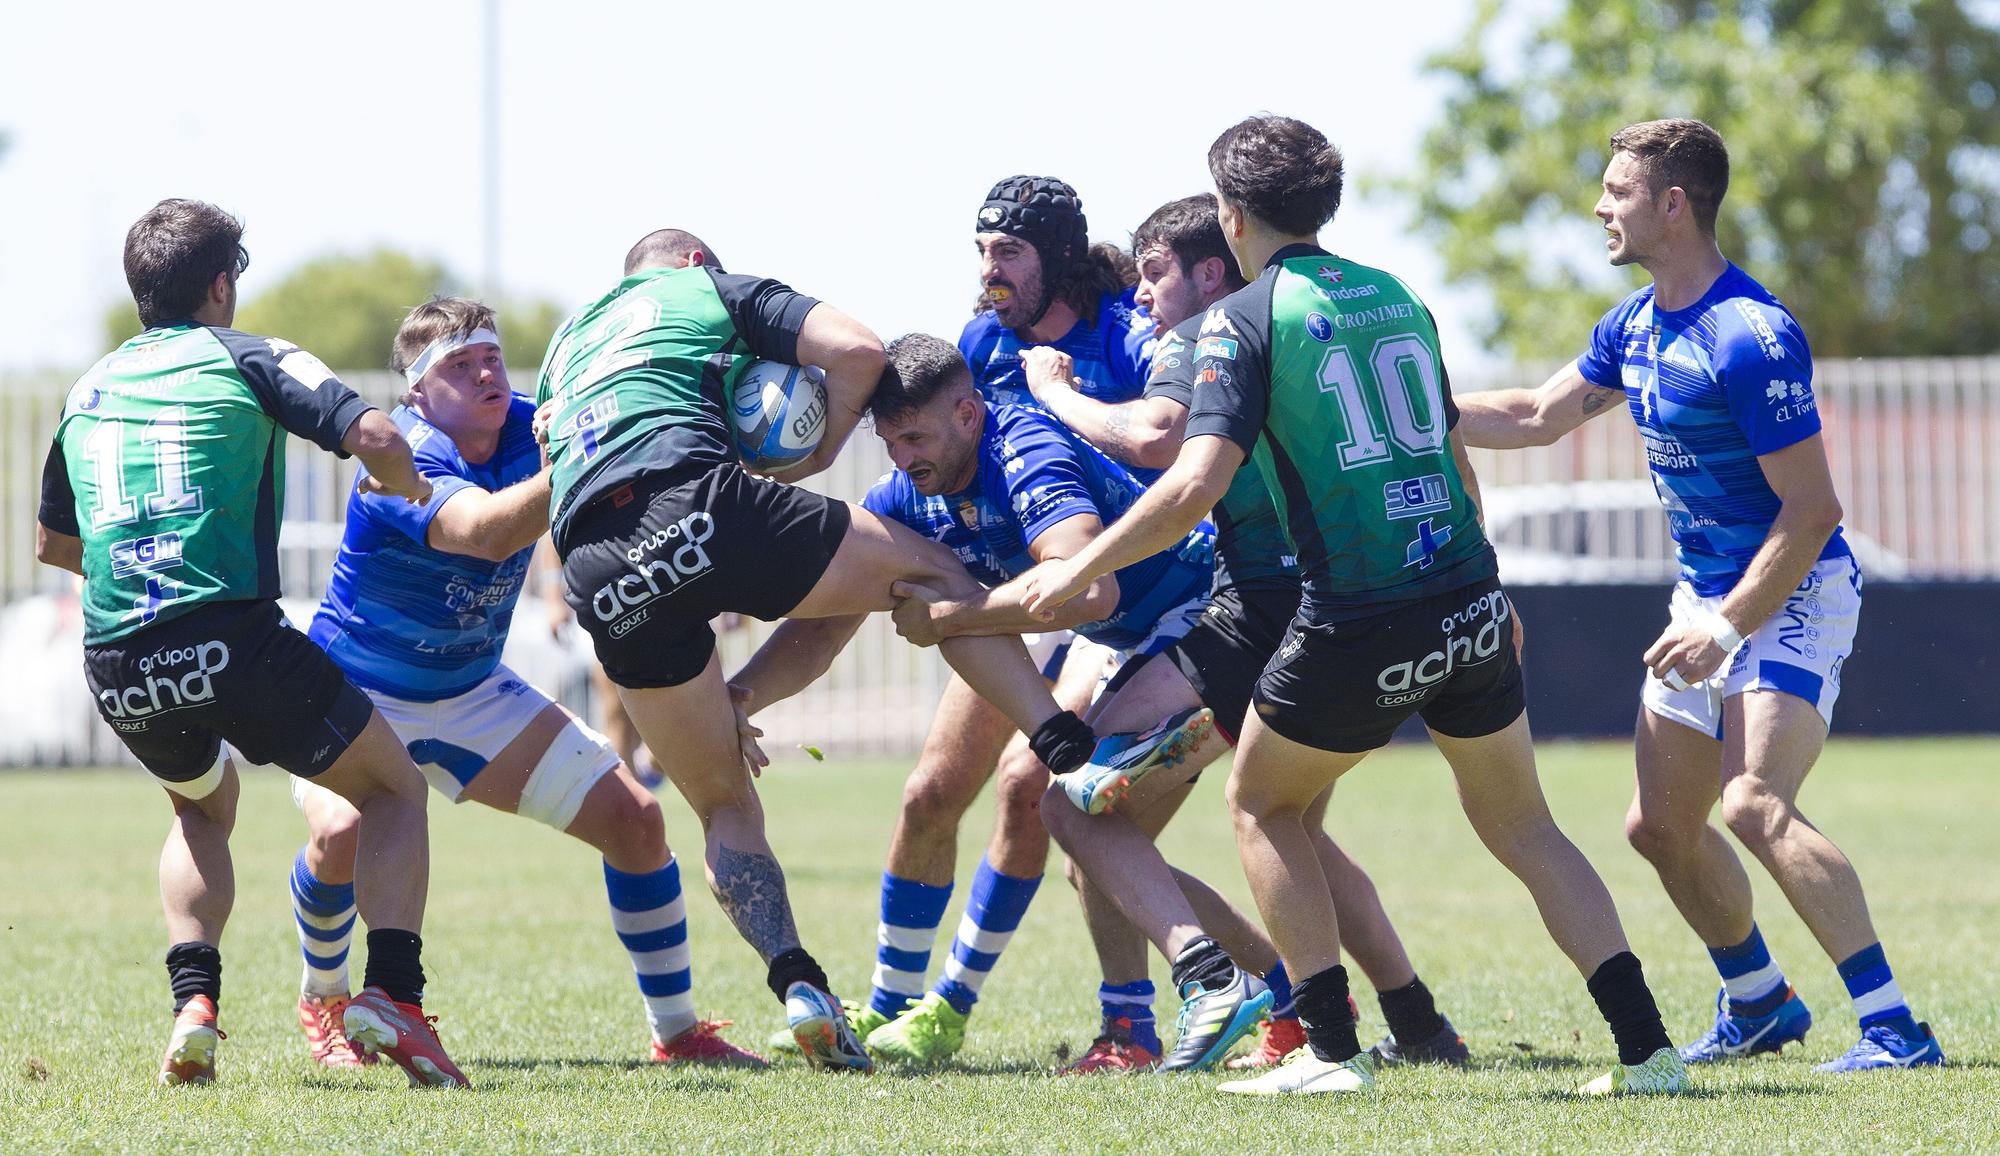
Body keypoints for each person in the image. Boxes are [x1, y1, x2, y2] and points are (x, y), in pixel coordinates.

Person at [1020, 116, 1687, 1097]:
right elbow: (1444, 455)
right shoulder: (1394, 294)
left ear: (1230, 214)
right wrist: (1486, 582)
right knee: (1524, 828)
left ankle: (1328, 1051)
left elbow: (1192, 484)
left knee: (1260, 805)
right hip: (1465, 598)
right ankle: (1647, 1052)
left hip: (1357, 620)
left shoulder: (1244, 320)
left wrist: (1084, 570)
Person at [534, 228, 1180, 1071]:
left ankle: (798, 981)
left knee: (723, 804)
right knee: (934, 572)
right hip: (699, 497)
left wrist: (742, 696)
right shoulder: (703, 291)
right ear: (695, 263)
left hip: (598, 564)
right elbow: (857, 349)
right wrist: (813, 454)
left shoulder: (565, 347)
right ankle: (1056, 736)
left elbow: (553, 455)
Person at [1453, 118, 1942, 1073]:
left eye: (1616, 192)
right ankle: (1759, 1000)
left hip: (1789, 588)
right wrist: (1408, 405)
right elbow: (1532, 417)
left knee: (1754, 802)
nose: (1599, 207)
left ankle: (1894, 1028)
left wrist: (1725, 626)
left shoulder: (1751, 336)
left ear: (1673, 204)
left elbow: (1811, 513)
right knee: (1658, 827)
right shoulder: (1632, 324)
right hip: (1705, 598)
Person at [1026, 194, 1468, 1075]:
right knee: (1292, 828)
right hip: (1339, 606)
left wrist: (1055, 397)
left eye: (1153, 275)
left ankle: (1226, 983)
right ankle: (1415, 1025)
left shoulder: (1213, 335)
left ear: (1211, 270)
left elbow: (1155, 439)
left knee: (1069, 798)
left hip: (1259, 615)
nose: (1143, 297)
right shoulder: (1311, 325)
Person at [34, 199, 467, 1088]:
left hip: (117, 657)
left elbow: (53, 544)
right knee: (391, 791)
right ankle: (392, 997)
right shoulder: (248, 354)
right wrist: (418, 487)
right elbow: (375, 435)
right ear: (223, 281)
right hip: (232, 635)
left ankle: (194, 1003)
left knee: (200, 809)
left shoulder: (89, 389)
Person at [285, 297, 763, 1071]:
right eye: (457, 365)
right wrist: (585, 459)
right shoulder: (398, 459)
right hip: (356, 692)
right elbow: (487, 533)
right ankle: (325, 998)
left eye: (492, 358)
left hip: (472, 689)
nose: (484, 373)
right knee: (341, 833)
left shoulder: (538, 426)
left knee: (637, 824)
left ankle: (678, 1034)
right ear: (416, 392)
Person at [727, 332, 1218, 1066]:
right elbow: (826, 624)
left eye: (915, 437)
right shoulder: (907, 493)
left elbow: (1088, 587)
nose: (902, 459)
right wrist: (741, 695)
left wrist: (955, 618)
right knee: (1067, 813)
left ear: (968, 413)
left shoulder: (1023, 445)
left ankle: (1204, 1005)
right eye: (890, 443)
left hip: (1206, 616)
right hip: (1119, 641)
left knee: (1092, 818)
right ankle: (901, 1007)